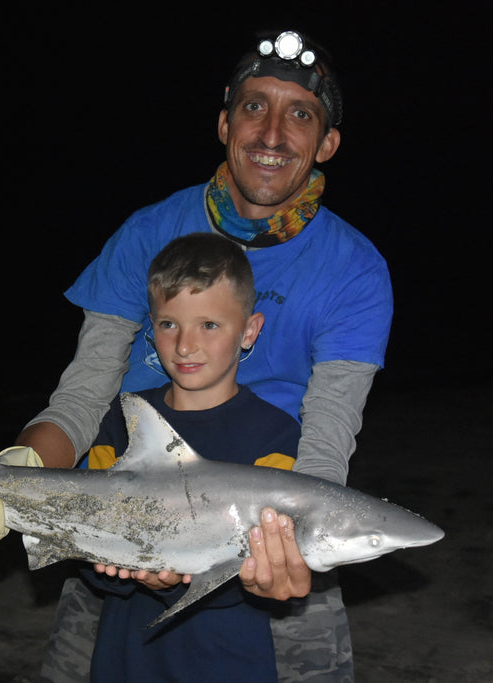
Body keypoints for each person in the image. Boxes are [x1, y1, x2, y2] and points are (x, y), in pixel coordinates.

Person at [0, 27, 392, 681]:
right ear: (224, 120)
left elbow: (329, 433)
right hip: (124, 509)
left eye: (300, 115)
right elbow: (87, 389)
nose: (271, 134)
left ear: (326, 144)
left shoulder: (356, 270)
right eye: (254, 106)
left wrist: (289, 542)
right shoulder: (147, 232)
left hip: (266, 522)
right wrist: (20, 468)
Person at [80, 232, 303, 681]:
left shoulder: (275, 435)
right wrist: (124, 572)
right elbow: (90, 550)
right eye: (168, 324)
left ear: (250, 330)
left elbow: (262, 571)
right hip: (127, 654)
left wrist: (184, 579)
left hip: (226, 655)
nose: (184, 346)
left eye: (209, 325)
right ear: (151, 325)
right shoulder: (124, 419)